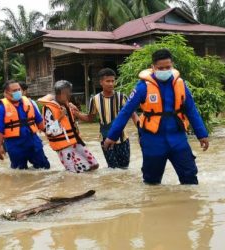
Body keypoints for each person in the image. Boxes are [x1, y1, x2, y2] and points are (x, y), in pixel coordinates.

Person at [103, 49, 209, 185]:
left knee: (190, 178)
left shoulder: (180, 84)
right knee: (151, 182)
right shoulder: (142, 87)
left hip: (178, 138)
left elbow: (191, 110)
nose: (164, 70)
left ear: (172, 65)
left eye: (168, 67)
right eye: (160, 68)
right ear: (153, 67)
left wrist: (202, 134)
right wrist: (112, 136)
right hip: (152, 139)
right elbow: (126, 112)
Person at [73, 68, 138, 169]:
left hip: (123, 139)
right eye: (108, 81)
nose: (111, 84)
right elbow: (90, 118)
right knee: (112, 169)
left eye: (113, 81)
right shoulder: (95, 99)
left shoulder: (122, 97)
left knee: (125, 169)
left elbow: (132, 114)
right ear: (101, 82)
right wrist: (75, 113)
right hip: (105, 139)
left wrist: (141, 130)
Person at [38, 80, 99, 173]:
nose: (70, 95)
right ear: (61, 93)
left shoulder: (66, 104)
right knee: (74, 172)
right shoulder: (49, 108)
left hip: (75, 141)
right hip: (64, 147)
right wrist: (60, 116)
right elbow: (49, 131)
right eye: (68, 93)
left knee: (93, 165)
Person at [0, 80, 50, 170]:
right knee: (19, 173)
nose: (18, 92)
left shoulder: (29, 103)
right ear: (6, 92)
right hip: (15, 145)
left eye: (19, 89)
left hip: (33, 142)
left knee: (44, 168)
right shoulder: (1, 108)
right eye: (14, 90)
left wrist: (50, 134)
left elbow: (39, 121)